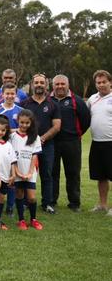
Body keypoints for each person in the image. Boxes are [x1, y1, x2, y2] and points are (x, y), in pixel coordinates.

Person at [21, 73, 61, 214]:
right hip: (27, 145)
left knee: (47, 174)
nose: (39, 85)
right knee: (26, 173)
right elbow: (20, 124)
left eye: (41, 83)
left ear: (46, 85)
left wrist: (42, 138)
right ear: (32, 85)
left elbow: (56, 126)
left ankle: (47, 203)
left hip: (47, 145)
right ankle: (25, 202)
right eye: (36, 82)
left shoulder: (53, 104)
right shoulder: (24, 104)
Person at [50, 74, 90, 212]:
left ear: (68, 85)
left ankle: (74, 203)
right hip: (52, 143)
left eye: (62, 84)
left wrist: (76, 134)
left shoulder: (77, 101)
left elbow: (85, 120)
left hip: (71, 142)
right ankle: (51, 201)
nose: (60, 86)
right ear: (53, 85)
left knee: (73, 173)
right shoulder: (48, 100)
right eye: (57, 84)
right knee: (52, 173)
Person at [10, 109, 44, 230]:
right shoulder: (12, 136)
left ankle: (33, 219)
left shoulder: (35, 137)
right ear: (18, 121)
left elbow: (35, 156)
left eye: (27, 123)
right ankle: (21, 220)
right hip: (17, 170)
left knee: (31, 197)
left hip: (30, 171)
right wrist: (17, 172)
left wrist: (30, 172)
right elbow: (11, 156)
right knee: (19, 194)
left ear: (31, 123)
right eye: (22, 122)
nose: (24, 125)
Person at [87, 70, 112, 216]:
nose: (101, 85)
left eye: (104, 82)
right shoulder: (92, 99)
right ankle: (103, 205)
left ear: (110, 82)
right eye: (98, 82)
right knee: (101, 176)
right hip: (97, 143)